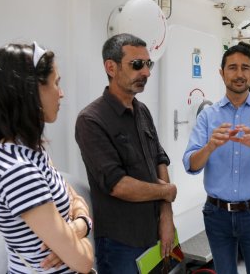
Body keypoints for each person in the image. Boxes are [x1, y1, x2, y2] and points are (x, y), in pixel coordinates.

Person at [182, 44, 250, 274]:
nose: (239, 74)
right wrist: (210, 146)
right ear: (222, 73)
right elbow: (190, 164)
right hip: (216, 214)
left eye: (245, 68)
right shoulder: (208, 116)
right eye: (232, 67)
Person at [75, 33, 177, 274]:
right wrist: (167, 192)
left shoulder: (142, 111)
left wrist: (166, 215)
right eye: (137, 65)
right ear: (111, 67)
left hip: (156, 234)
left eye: (148, 64)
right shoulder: (91, 121)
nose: (146, 72)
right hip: (121, 245)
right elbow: (118, 185)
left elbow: (159, 159)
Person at [0, 42, 94, 273]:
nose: (61, 92)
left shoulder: (29, 149)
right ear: (29, 92)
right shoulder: (17, 170)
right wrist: (82, 231)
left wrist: (80, 226)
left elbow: (73, 195)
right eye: (56, 82)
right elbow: (83, 262)